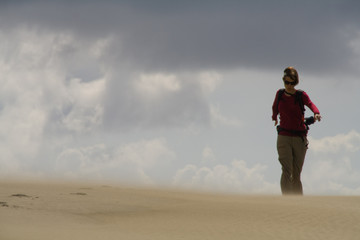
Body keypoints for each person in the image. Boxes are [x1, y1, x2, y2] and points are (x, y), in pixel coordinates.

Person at [272, 67, 321, 195]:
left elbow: (311, 104)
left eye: (292, 83)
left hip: (299, 138)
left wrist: (316, 113)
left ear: (296, 83)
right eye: (286, 82)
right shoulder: (280, 94)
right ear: (283, 81)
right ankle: (287, 201)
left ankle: (298, 203)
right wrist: (274, 117)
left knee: (296, 173)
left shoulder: (301, 95)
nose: (289, 85)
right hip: (284, 136)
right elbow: (274, 107)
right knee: (287, 170)